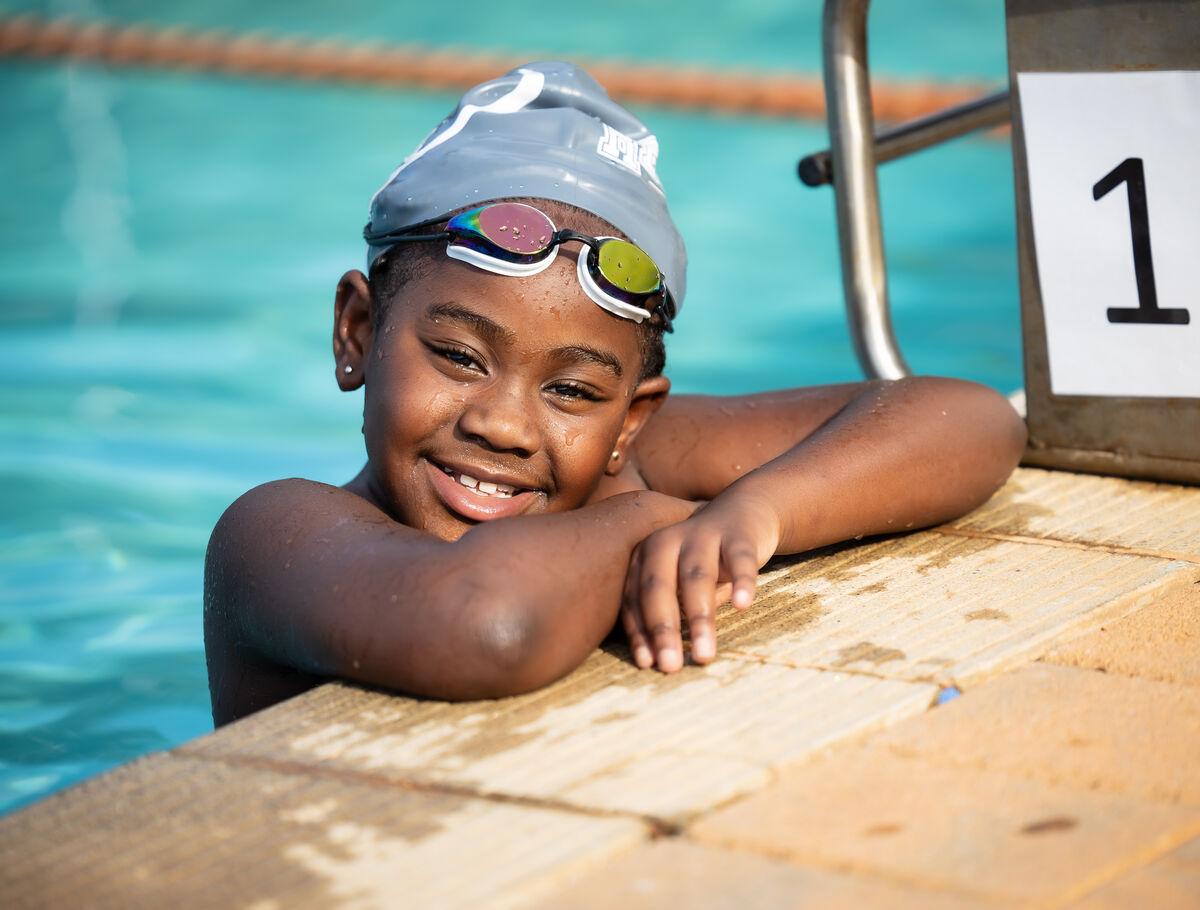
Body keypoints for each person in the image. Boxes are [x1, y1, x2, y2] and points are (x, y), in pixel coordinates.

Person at [203, 62, 1026, 726]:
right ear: (356, 331)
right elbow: (486, 626)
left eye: (570, 389)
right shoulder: (275, 536)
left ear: (633, 419)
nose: (504, 425)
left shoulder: (620, 455)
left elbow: (968, 421)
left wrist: (759, 510)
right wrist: (658, 516)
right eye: (458, 356)